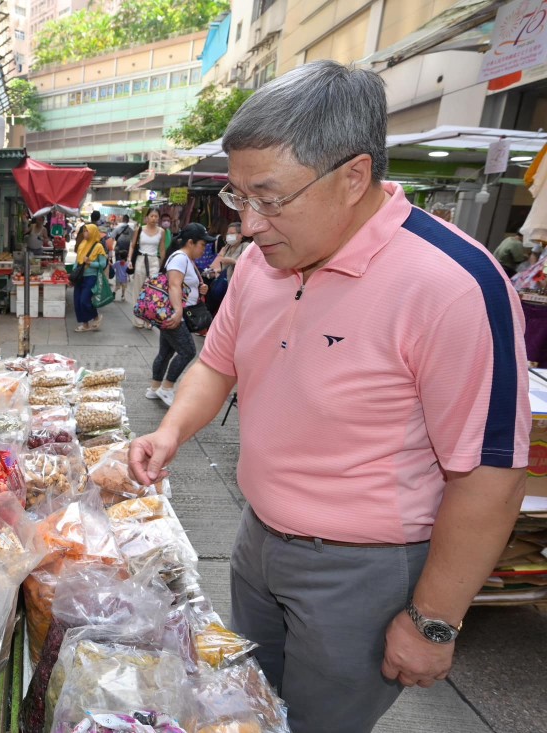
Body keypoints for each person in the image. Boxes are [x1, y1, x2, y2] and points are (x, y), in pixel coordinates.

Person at [128, 60, 529, 733]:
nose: (249, 224)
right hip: (259, 542)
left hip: (363, 572)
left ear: (354, 176)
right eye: (238, 197)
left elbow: (490, 473)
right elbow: (217, 363)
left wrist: (433, 620)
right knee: (249, 706)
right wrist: (170, 434)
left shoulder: (452, 285)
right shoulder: (263, 262)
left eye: (270, 197)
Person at [146, 223, 209, 406]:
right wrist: (178, 311)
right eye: (202, 244)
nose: (204, 249)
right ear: (191, 242)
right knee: (188, 351)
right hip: (174, 314)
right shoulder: (180, 258)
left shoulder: (185, 259)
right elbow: (174, 285)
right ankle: (167, 388)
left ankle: (154, 388)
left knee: (166, 352)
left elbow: (182, 285)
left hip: (171, 312)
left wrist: (200, 288)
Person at [129, 208, 170, 328]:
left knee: (153, 291)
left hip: (154, 262)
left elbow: (162, 249)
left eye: (156, 216)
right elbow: (132, 246)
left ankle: (149, 319)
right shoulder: (139, 229)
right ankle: (138, 319)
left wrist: (163, 266)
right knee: (138, 289)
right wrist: (129, 260)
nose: (153, 219)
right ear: (146, 218)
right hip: (141, 260)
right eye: (151, 216)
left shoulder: (161, 231)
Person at [206, 222, 249, 314]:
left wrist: (232, 261)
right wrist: (215, 271)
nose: (229, 236)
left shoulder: (246, 247)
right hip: (227, 286)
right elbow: (220, 267)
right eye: (228, 233)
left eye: (232, 233)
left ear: (241, 235)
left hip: (239, 288)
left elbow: (248, 267)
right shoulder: (227, 248)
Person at [73, 224, 108, 332]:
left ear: (93, 232)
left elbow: (102, 264)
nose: (85, 233)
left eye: (87, 231)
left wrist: (90, 263)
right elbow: (77, 260)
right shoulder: (82, 244)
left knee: (84, 300)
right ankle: (85, 324)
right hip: (79, 277)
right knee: (77, 301)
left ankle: (96, 317)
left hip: (91, 277)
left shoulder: (98, 246)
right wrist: (72, 275)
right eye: (84, 231)